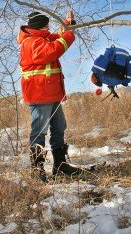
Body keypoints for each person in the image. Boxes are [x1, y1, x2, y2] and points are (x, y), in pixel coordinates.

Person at [17, 10, 81, 182]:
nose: (48, 27)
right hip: (39, 94)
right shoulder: (30, 42)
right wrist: (69, 34)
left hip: (51, 94)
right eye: (46, 25)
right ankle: (37, 172)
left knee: (59, 127)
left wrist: (66, 26)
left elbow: (54, 37)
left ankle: (60, 166)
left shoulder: (40, 38)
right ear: (40, 26)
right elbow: (53, 50)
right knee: (39, 132)